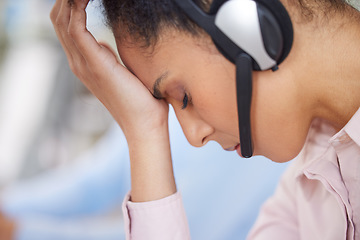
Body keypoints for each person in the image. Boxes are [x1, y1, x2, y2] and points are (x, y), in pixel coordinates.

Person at [50, 0, 360, 239]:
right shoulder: (310, 182)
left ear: (249, 24)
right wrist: (144, 131)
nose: (193, 136)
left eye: (183, 98)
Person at [0, 108, 287, 240]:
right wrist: (7, 207)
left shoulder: (248, 134)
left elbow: (171, 232)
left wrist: (21, 232)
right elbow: (93, 185)